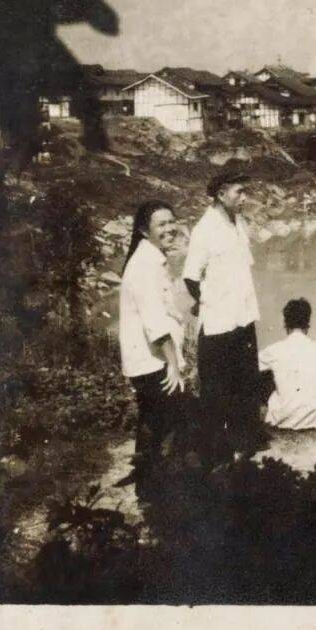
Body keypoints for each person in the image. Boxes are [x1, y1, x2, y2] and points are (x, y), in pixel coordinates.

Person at [183, 170, 261, 460]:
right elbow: (191, 276)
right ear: (221, 194)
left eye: (245, 192)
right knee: (217, 388)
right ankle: (216, 450)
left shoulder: (237, 222)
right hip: (219, 322)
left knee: (246, 381)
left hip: (243, 315)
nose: (244, 198)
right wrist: (207, 303)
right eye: (239, 192)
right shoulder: (205, 230)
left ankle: (245, 441)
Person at [119, 200, 188, 482]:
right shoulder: (144, 267)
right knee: (170, 422)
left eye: (172, 222)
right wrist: (173, 364)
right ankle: (162, 485)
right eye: (162, 224)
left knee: (152, 416)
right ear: (144, 231)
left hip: (148, 359)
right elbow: (155, 324)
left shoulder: (151, 260)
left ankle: (145, 476)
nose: (170, 229)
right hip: (154, 360)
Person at [258, 298, 316, 430]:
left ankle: (268, 405)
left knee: (266, 369)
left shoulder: (273, 350)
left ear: (286, 325)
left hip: (283, 417)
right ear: (307, 325)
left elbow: (253, 364)